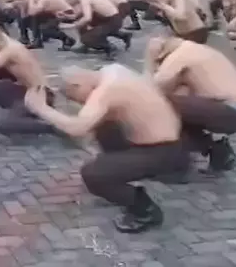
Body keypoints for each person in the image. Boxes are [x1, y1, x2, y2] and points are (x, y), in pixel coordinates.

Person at [23, 64, 188, 233]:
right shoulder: (113, 70)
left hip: (163, 150)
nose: (81, 102)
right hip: (169, 142)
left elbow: (77, 128)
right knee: (103, 124)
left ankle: (145, 210)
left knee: (92, 174)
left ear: (77, 85)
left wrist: (41, 109)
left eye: (76, 98)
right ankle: (116, 172)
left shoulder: (106, 92)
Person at [144, 36, 236, 172]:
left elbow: (151, 89)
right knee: (179, 97)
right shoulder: (198, 50)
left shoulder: (181, 54)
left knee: (160, 103)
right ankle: (210, 147)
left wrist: (149, 61)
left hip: (231, 108)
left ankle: (183, 153)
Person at [60, 0, 132, 59]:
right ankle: (123, 36)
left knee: (87, 38)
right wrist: (66, 16)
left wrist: (73, 26)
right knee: (94, 28)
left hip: (114, 18)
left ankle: (109, 46)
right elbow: (78, 15)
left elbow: (87, 18)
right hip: (113, 18)